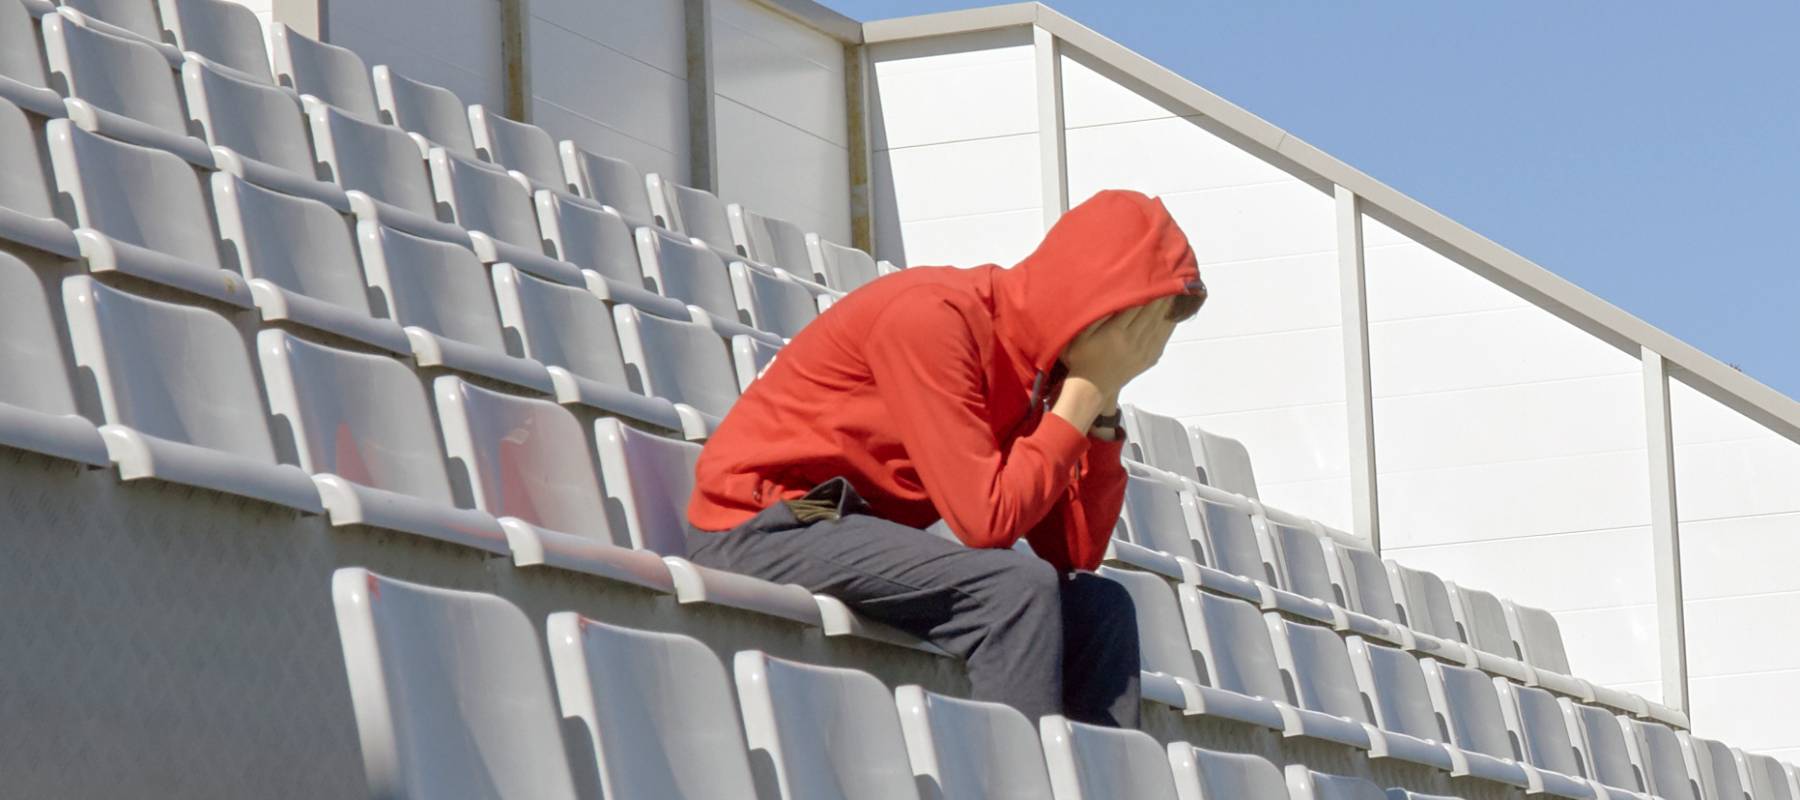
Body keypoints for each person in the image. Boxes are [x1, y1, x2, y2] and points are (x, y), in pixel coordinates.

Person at [685, 189, 1206, 728]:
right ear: (1092, 300)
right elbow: (987, 523)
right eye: (1137, 327)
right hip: (771, 519)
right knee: (1012, 591)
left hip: (851, 525)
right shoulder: (935, 317)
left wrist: (1100, 406)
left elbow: (1072, 552)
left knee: (1102, 609)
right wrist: (1084, 390)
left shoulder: (1039, 369)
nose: (1143, 349)